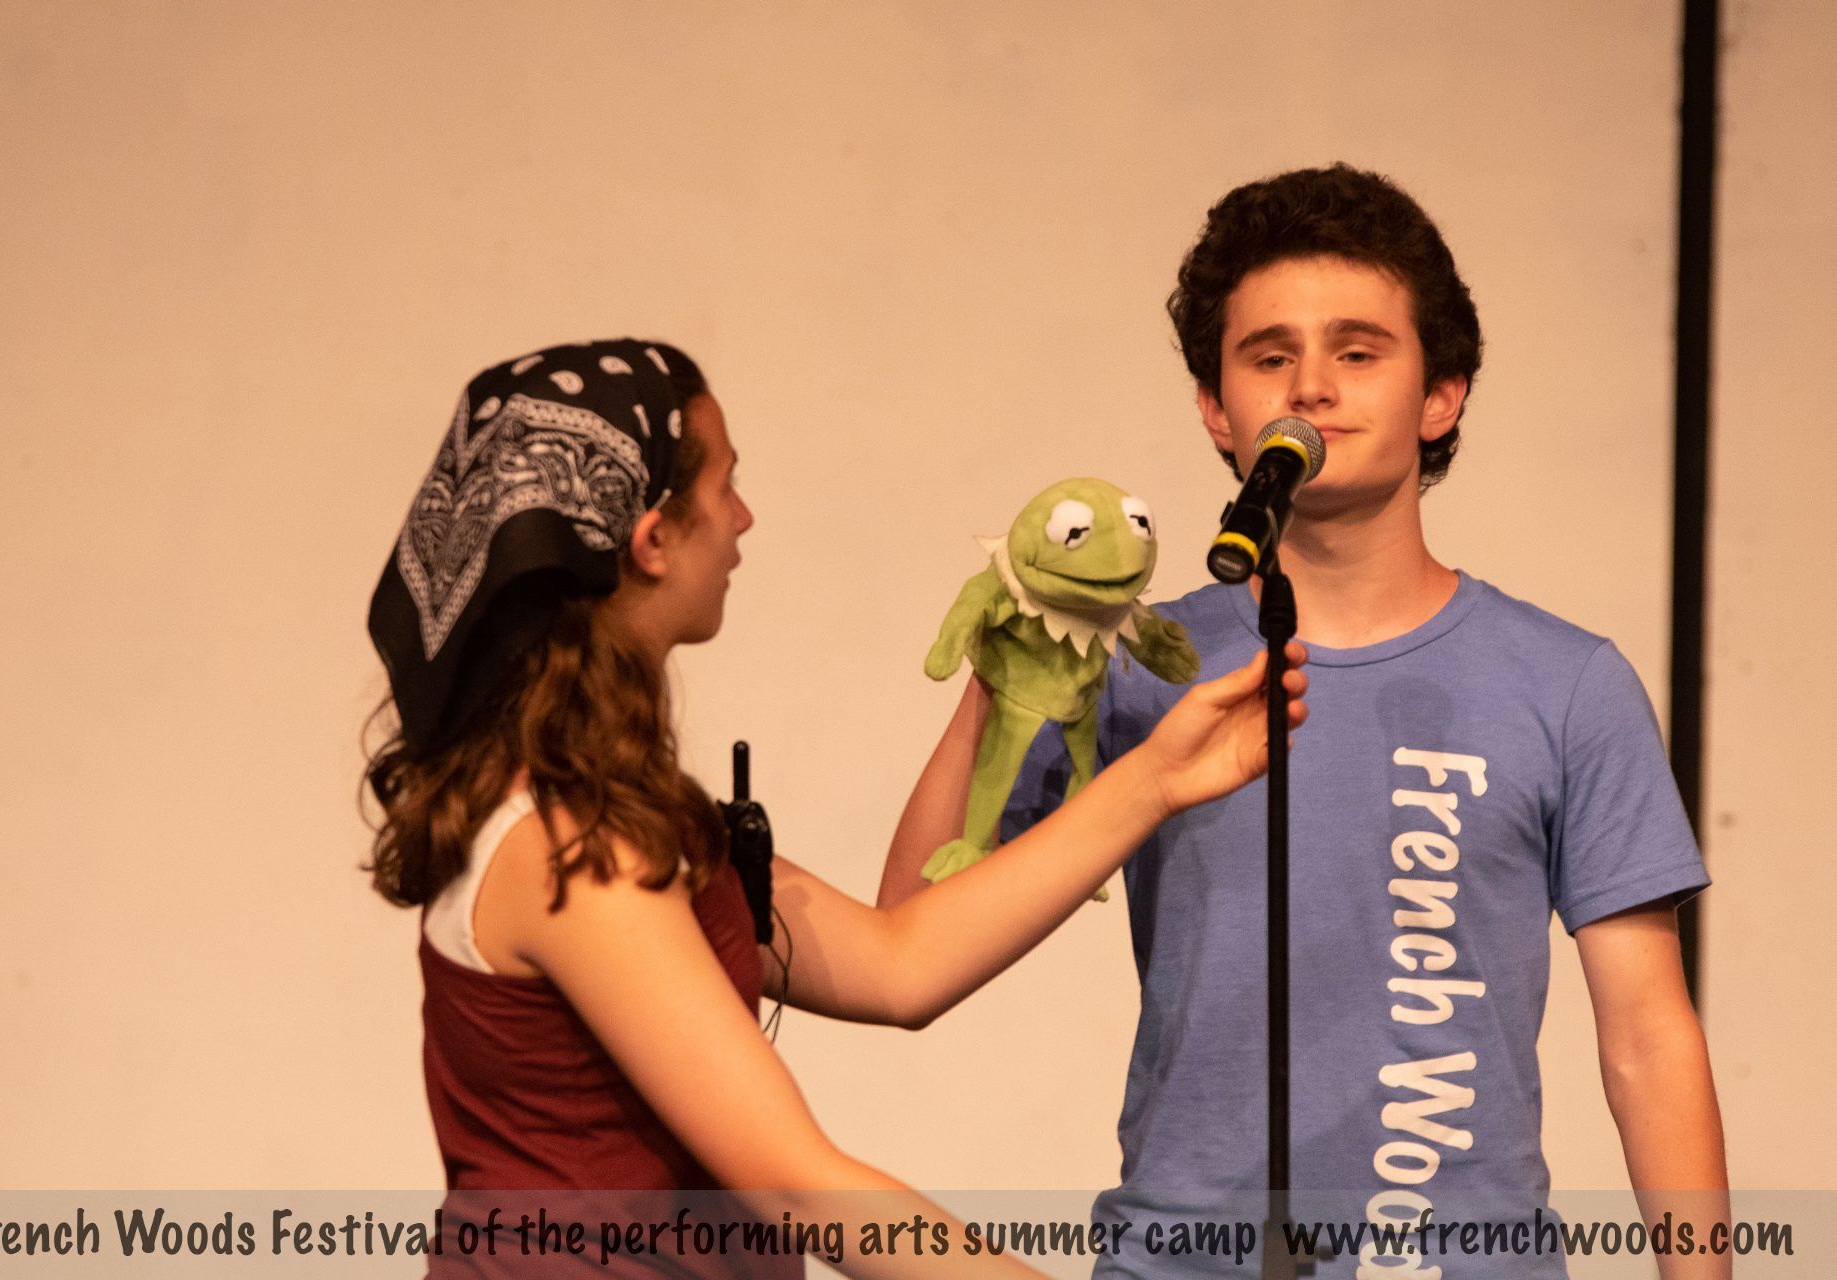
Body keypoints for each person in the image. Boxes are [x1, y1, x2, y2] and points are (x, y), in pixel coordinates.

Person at [880, 165, 1729, 1279]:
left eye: (1359, 352)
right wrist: (1001, 678)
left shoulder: (1565, 682)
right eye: (1269, 356)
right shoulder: (1143, 669)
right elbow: (909, 930)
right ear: (1215, 406)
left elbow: (1649, 1039)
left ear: (1442, 396)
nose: (1312, 387)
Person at [362, 339, 1308, 1278]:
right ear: (652, 540)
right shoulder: (570, 848)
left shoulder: (627, 816)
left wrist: (1157, 779)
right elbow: (800, 1186)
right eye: (725, 487)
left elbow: (898, 964)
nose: (743, 518)